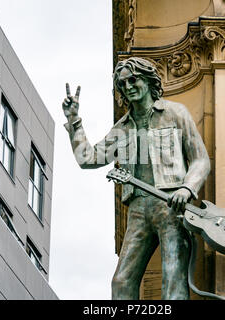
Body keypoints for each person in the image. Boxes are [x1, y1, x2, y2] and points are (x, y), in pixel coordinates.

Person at [62, 57, 210, 300]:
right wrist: (74, 121)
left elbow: (200, 159)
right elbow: (87, 158)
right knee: (121, 281)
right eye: (123, 84)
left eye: (134, 80)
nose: (128, 86)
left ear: (148, 80)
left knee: (173, 275)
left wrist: (187, 188)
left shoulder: (175, 114)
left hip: (171, 205)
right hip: (138, 209)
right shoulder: (122, 128)